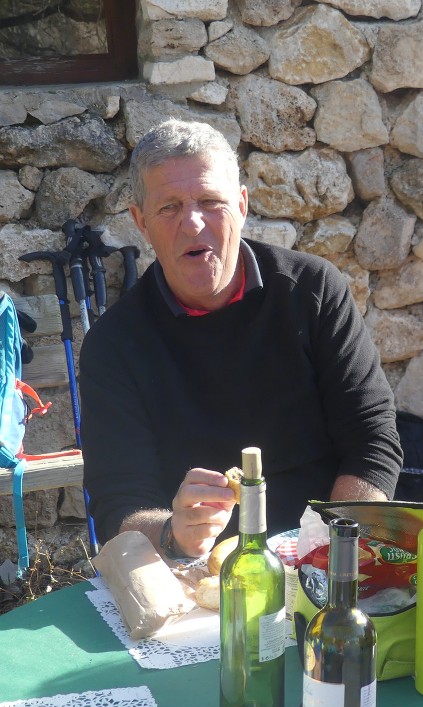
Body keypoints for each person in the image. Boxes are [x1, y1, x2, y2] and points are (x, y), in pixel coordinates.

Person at [79, 119, 403, 558]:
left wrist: (326, 550)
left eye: (211, 202)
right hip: (196, 571)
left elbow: (372, 438)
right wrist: (176, 534)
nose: (193, 225)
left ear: (243, 204)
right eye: (169, 207)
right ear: (141, 222)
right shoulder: (113, 343)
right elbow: (119, 501)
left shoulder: (313, 290)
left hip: (327, 547)